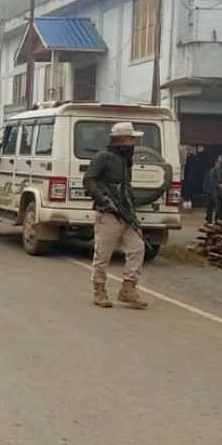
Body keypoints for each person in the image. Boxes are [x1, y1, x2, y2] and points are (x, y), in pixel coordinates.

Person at [83, 122, 149, 310]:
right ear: (120, 140)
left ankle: (128, 289)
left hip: (126, 212)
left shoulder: (126, 160)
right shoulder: (103, 157)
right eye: (130, 139)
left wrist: (131, 211)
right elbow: (89, 180)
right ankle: (99, 290)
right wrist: (105, 201)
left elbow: (125, 187)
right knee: (102, 254)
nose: (133, 143)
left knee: (138, 248)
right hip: (108, 214)